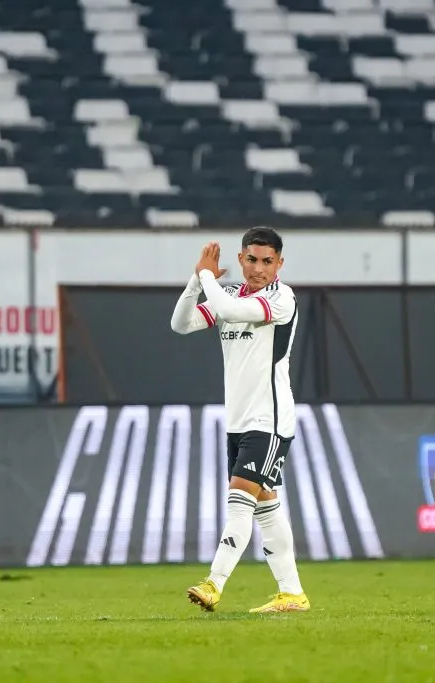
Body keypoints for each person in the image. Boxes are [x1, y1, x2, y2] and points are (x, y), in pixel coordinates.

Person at [170, 227, 309, 614]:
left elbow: (230, 312)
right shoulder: (226, 294)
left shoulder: (282, 298)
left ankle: (214, 583)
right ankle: (292, 593)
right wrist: (196, 279)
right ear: (242, 257)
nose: (258, 269)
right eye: (251, 260)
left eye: (267, 261)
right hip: (239, 420)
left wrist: (207, 278)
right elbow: (180, 324)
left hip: (270, 417)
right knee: (266, 505)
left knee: (239, 499)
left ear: (279, 263)